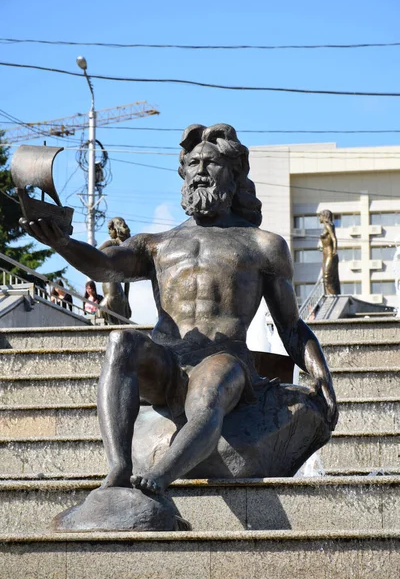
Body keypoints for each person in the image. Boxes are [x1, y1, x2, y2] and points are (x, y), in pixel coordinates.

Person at [20, 123, 338, 495]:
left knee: (208, 393)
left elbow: (291, 327)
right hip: (167, 361)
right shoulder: (156, 244)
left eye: (212, 163)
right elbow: (102, 265)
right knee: (121, 340)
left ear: (234, 175)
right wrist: (63, 244)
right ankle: (120, 466)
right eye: (193, 164)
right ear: (183, 173)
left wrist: (322, 377)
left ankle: (161, 475)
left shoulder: (263, 245)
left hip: (224, 360)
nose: (200, 171)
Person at [98, 217, 132, 324]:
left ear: (115, 229)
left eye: (110, 229)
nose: (109, 232)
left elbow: (94, 253)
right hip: (115, 282)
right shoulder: (126, 246)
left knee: (113, 302)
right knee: (115, 304)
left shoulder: (113, 243)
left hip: (112, 282)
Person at [318, 209, 341, 295]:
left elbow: (334, 239)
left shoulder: (328, 226)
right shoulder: (325, 227)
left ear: (324, 216)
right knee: (325, 278)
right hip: (325, 255)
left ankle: (333, 297)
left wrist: (335, 250)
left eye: (320, 216)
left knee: (328, 278)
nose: (319, 218)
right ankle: (330, 295)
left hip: (330, 255)